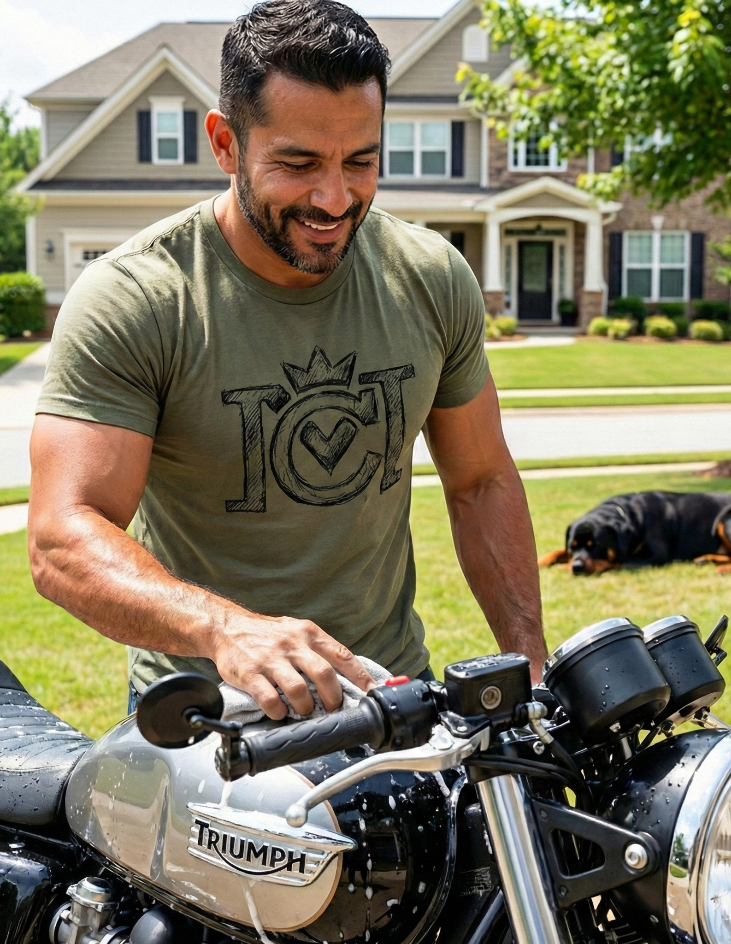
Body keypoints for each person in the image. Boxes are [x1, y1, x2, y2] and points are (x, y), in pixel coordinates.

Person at [28, 0, 547, 722]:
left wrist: (534, 668)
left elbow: (482, 481)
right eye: (299, 163)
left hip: (389, 698)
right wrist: (225, 629)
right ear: (225, 144)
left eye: (361, 161)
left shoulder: (431, 277)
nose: (334, 198)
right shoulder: (138, 296)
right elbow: (63, 535)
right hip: (210, 717)